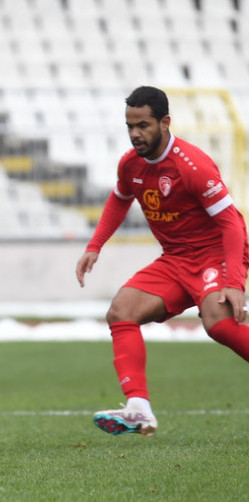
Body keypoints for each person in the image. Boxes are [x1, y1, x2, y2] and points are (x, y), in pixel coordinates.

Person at [76, 86, 249, 437]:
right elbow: (119, 198)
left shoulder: (193, 165)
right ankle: (138, 409)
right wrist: (95, 245)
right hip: (175, 260)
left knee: (217, 322)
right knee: (121, 310)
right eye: (130, 126)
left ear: (165, 122)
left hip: (214, 253)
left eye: (143, 125)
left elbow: (231, 222)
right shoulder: (130, 163)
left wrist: (234, 282)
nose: (136, 134)